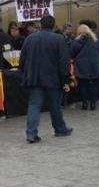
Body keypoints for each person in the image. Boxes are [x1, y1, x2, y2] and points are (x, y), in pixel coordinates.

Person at [19, 15, 73, 143]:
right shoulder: (59, 39)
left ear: (40, 24)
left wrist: (26, 73)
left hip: (35, 77)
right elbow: (64, 61)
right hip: (53, 78)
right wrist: (66, 78)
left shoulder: (30, 38)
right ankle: (60, 129)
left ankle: (31, 133)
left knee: (34, 105)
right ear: (54, 26)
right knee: (55, 105)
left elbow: (22, 60)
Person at [70, 24, 99, 110]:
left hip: (81, 66)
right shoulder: (96, 41)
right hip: (95, 65)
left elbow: (71, 54)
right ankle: (93, 104)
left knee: (83, 85)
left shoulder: (75, 42)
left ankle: (84, 103)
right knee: (94, 84)